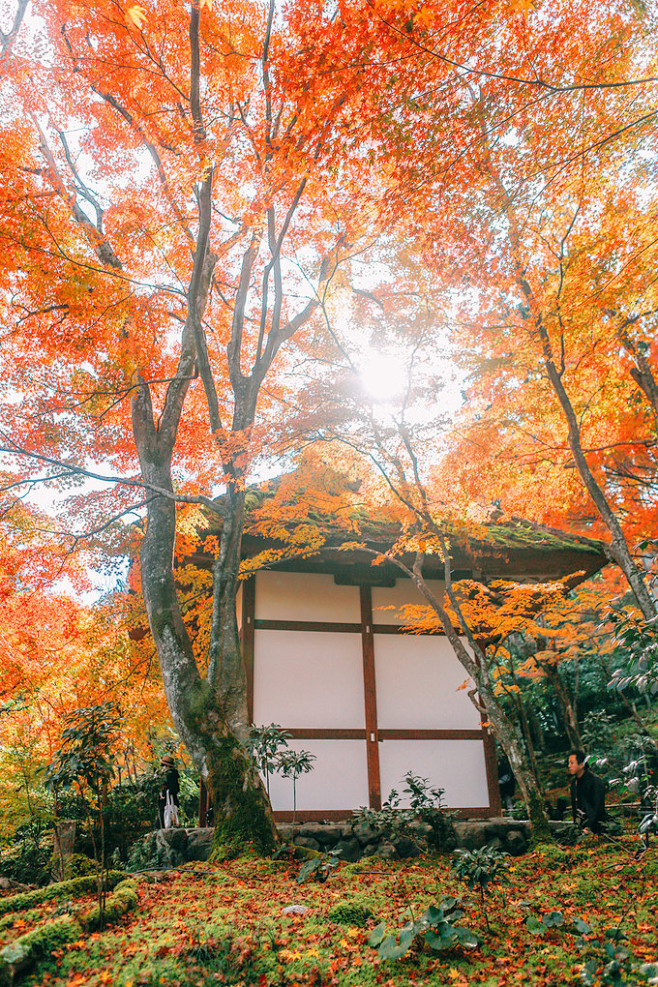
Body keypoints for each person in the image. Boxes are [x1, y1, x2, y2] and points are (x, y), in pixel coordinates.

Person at [568, 749, 607, 834]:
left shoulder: (595, 781)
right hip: (580, 825)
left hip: (596, 826)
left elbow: (598, 806)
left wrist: (589, 826)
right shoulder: (574, 783)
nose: (569, 766)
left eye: (572, 763)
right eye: (569, 763)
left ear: (581, 764)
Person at [158, 754, 180, 828]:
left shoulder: (170, 775)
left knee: (163, 818)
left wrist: (164, 793)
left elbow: (174, 788)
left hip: (167, 800)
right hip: (169, 800)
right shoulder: (171, 774)